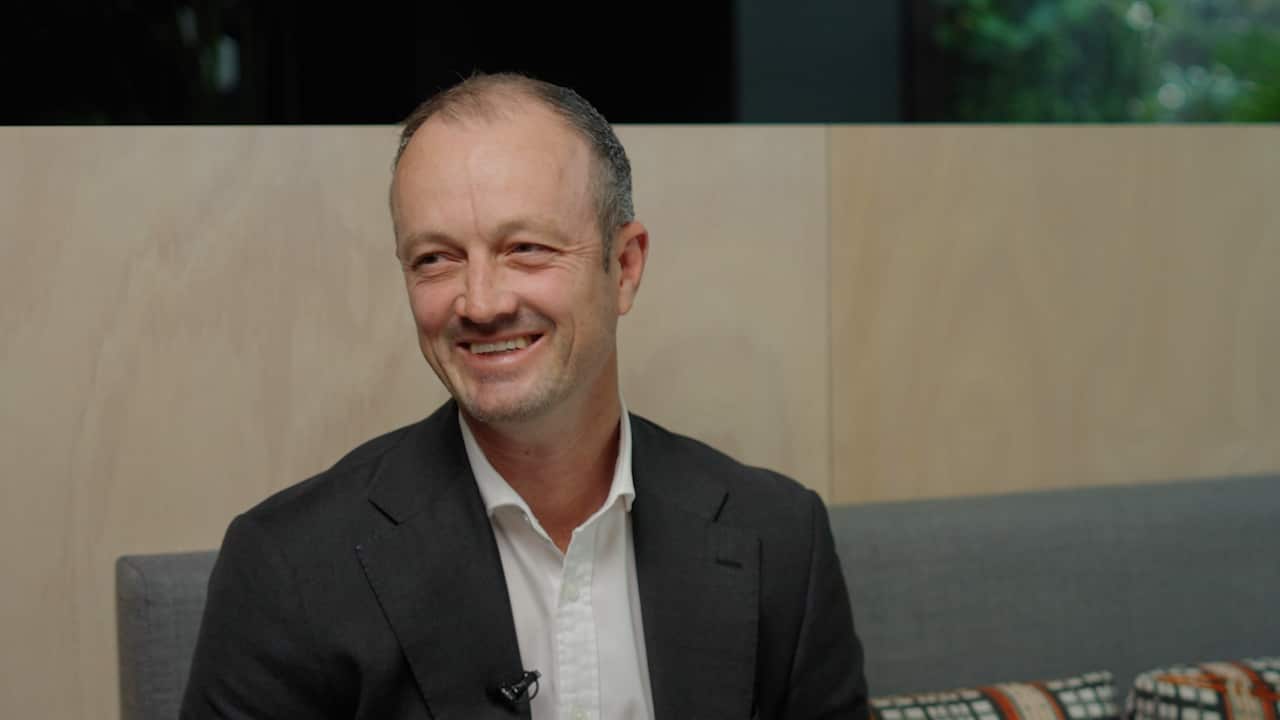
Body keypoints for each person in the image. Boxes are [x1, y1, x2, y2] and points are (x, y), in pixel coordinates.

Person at [181, 72, 867, 720]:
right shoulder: (290, 567)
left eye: (526, 249)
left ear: (623, 268)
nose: (480, 303)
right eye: (436, 258)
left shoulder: (781, 539)